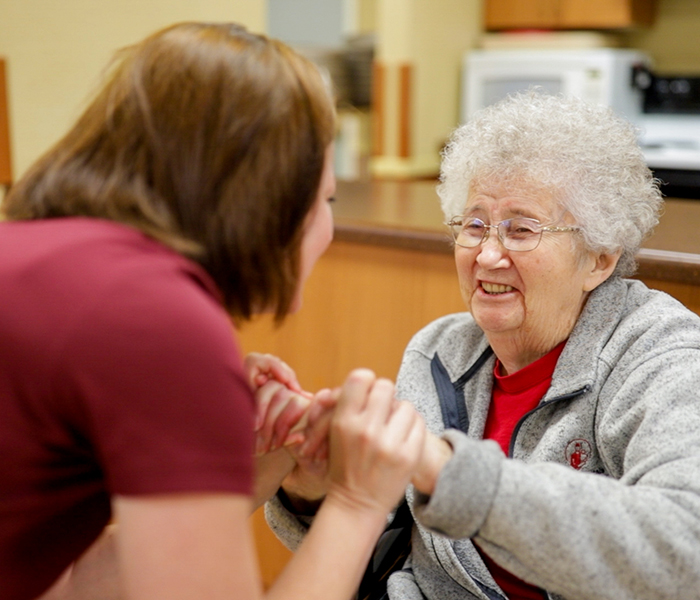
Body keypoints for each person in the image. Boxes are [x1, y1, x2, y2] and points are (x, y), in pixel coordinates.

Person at [0, 22, 430, 600]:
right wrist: (358, 500)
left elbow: (70, 580)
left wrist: (246, 468)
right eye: (325, 198)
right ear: (270, 200)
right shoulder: (159, 322)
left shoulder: (42, 258)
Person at [265, 91, 700, 600]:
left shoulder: (660, 355)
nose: (488, 255)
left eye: (521, 230)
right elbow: (380, 552)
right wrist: (314, 488)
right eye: (474, 225)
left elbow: (685, 549)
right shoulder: (440, 352)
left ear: (599, 259)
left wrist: (447, 471)